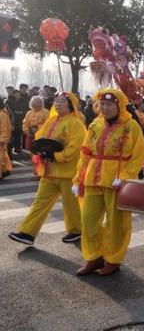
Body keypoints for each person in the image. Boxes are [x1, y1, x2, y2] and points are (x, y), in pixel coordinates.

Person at [73, 88, 144, 276]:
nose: (104, 108)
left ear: (119, 106)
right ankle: (94, 256)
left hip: (116, 181)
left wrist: (125, 174)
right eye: (102, 104)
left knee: (116, 224)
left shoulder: (130, 125)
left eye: (109, 104)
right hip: (93, 178)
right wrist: (78, 177)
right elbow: (85, 153)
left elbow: (139, 154)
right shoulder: (95, 125)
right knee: (88, 220)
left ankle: (113, 259)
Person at [8, 92, 86, 246]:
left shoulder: (76, 123)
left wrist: (55, 155)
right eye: (56, 101)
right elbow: (40, 137)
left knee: (71, 206)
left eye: (62, 102)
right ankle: (27, 233)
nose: (57, 104)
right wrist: (40, 150)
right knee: (39, 203)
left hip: (68, 173)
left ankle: (77, 231)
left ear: (71, 105)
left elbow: (75, 148)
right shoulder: (51, 121)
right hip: (49, 172)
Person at [6, 88, 29, 153]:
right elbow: (8, 111)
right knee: (10, 136)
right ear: (13, 94)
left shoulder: (23, 102)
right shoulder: (8, 101)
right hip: (12, 121)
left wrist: (23, 113)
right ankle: (9, 149)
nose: (17, 95)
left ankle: (17, 148)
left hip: (20, 120)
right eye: (15, 94)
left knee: (18, 135)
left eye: (18, 94)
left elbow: (26, 109)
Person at [0, 99, 13, 179]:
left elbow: (5, 130)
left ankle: (3, 172)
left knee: (2, 159)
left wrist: (2, 140)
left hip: (0, 141)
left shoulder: (2, 115)